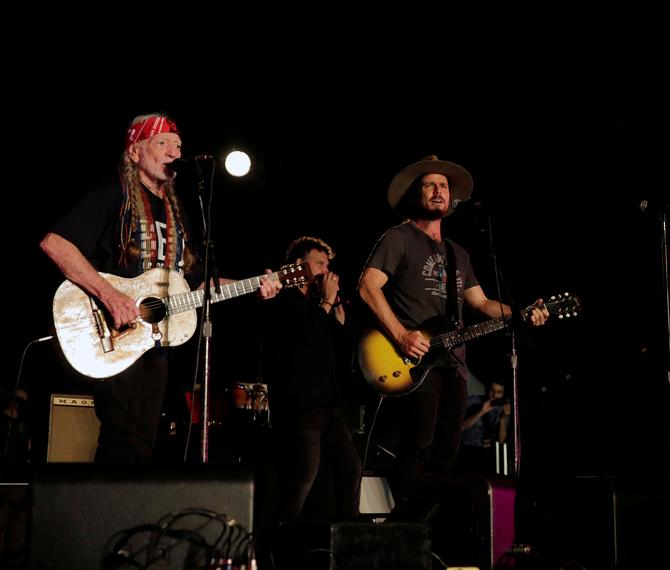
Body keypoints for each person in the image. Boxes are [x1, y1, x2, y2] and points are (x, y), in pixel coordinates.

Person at [40, 113, 280, 462]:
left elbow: (195, 283)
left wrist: (253, 285)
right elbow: (56, 243)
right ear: (135, 151)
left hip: (154, 342)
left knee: (142, 440)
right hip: (113, 328)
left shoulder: (177, 212)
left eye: (178, 145)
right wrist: (111, 296)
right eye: (162, 143)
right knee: (121, 436)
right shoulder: (114, 193)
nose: (173, 151)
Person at [358, 155, 548, 499]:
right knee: (417, 449)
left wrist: (522, 312)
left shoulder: (457, 253)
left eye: (443, 186)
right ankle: (409, 533)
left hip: (454, 366)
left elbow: (482, 304)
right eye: (429, 184)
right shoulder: (399, 237)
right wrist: (401, 334)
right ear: (416, 195)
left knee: (446, 455)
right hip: (416, 361)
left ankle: (428, 532)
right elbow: (367, 286)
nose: (438, 191)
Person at [261, 236, 362, 523]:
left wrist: (339, 320)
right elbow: (305, 337)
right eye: (319, 264)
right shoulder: (283, 298)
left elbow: (335, 354)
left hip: (328, 406)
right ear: (298, 265)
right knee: (303, 477)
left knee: (351, 467)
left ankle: (348, 535)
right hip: (300, 407)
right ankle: (280, 542)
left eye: (327, 265)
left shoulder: (318, 305)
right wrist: (327, 303)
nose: (326, 271)